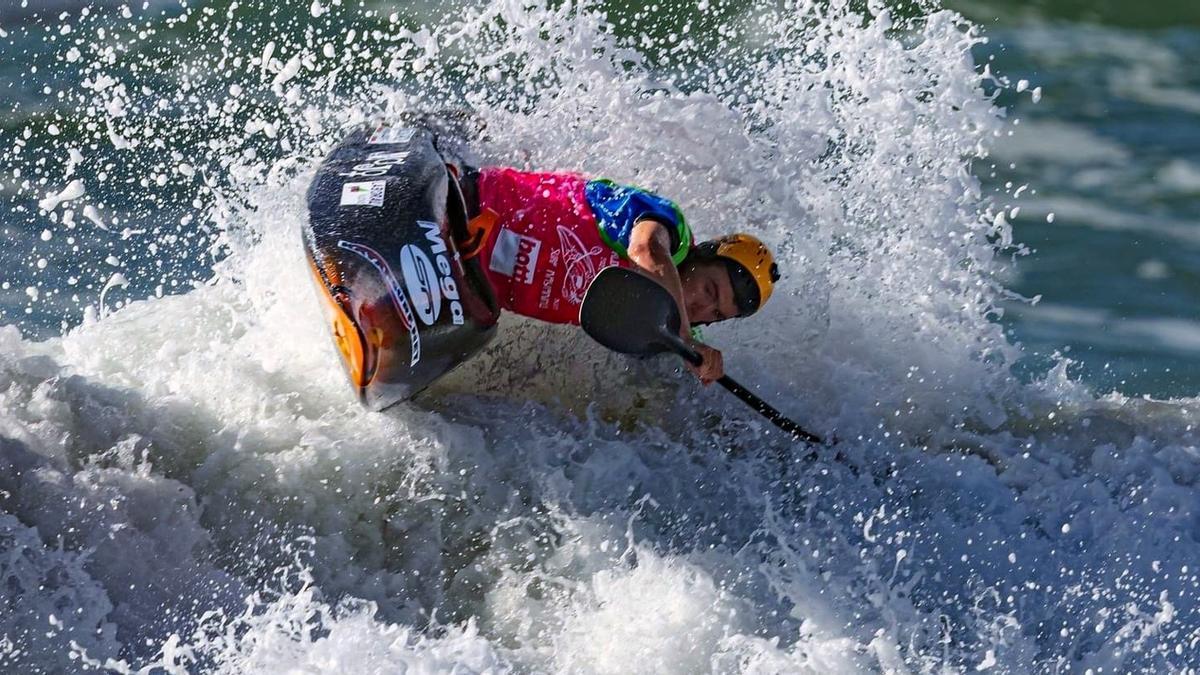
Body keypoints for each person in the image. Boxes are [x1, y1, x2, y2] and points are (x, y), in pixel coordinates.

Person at [453, 163, 781, 385]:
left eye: (716, 314)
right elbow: (646, 250)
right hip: (465, 205)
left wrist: (698, 364)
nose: (703, 308)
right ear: (700, 257)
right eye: (710, 291)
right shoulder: (670, 226)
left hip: (466, 287)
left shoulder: (662, 331)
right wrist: (684, 336)